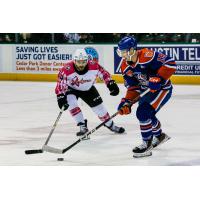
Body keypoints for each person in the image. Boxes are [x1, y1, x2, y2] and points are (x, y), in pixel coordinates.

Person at [117, 36, 176, 158]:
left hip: (161, 89)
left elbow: (170, 63)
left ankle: (146, 144)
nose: (122, 55)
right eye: (121, 52)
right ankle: (159, 136)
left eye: (124, 52)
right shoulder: (125, 66)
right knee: (147, 115)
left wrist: (159, 78)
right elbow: (133, 87)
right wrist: (127, 101)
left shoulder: (147, 55)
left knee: (143, 113)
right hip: (146, 90)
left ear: (132, 50)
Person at [55, 48, 125, 139]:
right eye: (78, 62)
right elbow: (61, 84)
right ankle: (82, 125)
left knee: (100, 109)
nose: (81, 64)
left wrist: (111, 83)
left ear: (87, 60)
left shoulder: (94, 66)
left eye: (83, 62)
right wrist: (60, 96)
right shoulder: (66, 69)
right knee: (71, 103)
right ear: (74, 60)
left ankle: (110, 125)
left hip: (88, 89)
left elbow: (104, 74)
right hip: (71, 89)